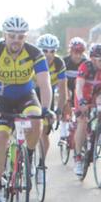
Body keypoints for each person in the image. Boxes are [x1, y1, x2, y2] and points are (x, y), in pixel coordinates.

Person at [0, 16, 53, 202]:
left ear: (25, 37)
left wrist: (46, 109)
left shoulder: (34, 52)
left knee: (36, 120)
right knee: (1, 136)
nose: (16, 40)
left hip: (25, 96)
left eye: (20, 37)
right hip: (1, 99)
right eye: (12, 36)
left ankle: (28, 156)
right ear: (4, 35)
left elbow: (45, 84)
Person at [71, 42, 101, 179]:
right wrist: (81, 101)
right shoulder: (85, 66)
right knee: (82, 122)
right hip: (83, 96)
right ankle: (78, 158)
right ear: (92, 59)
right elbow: (78, 86)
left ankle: (98, 129)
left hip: (97, 93)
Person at [35, 33, 66, 165]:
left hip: (48, 92)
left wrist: (59, 110)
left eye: (52, 51)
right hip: (32, 90)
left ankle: (42, 163)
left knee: (45, 132)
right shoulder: (33, 60)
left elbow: (63, 89)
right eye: (45, 51)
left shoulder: (59, 63)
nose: (48, 54)